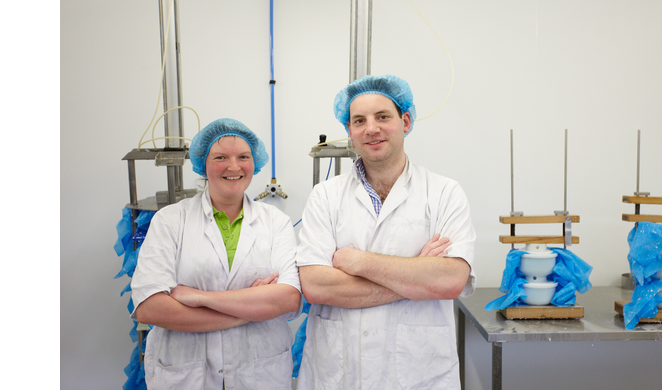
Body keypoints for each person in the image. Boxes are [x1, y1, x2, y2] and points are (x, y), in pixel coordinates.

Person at [296, 75, 476, 389]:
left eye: (383, 117)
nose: (372, 128)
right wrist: (417, 273)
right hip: (340, 374)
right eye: (359, 120)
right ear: (349, 132)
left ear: (405, 121)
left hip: (418, 374)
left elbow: (451, 280)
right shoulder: (324, 197)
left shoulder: (444, 192)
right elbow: (316, 286)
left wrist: (358, 262)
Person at [131, 118, 302, 390]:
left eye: (243, 157)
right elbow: (150, 308)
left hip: (259, 373)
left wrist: (199, 298)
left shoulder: (276, 222)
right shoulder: (171, 220)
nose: (234, 167)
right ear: (203, 164)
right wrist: (250, 310)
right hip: (187, 373)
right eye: (221, 157)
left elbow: (288, 300)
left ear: (254, 162)